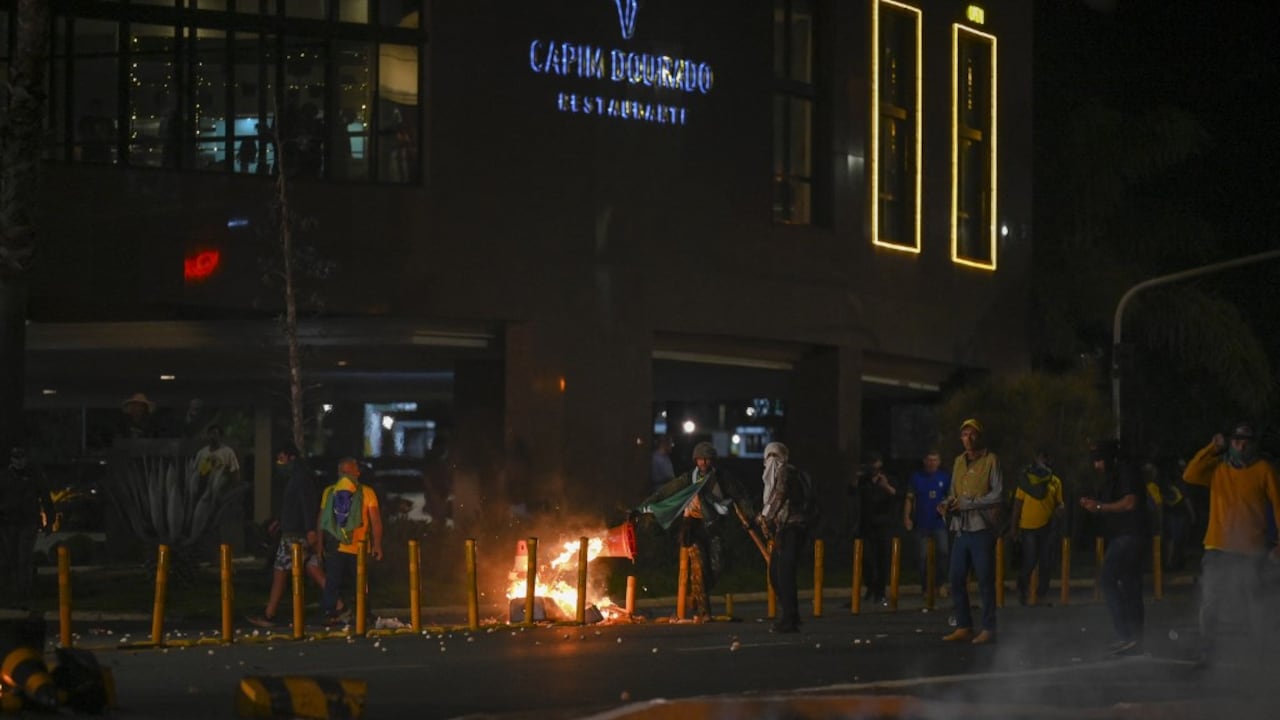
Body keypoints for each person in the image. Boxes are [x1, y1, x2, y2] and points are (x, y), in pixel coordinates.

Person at [1181, 422, 1280, 666]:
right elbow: (1190, 474)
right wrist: (1211, 449)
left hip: (1251, 548)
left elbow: (1279, 506)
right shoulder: (1218, 468)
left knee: (1256, 602)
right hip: (1218, 545)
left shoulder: (1264, 469)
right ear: (1230, 442)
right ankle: (1208, 649)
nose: (1241, 445)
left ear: (1253, 443)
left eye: (1245, 440)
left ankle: (1261, 653)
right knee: (1211, 598)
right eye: (1236, 440)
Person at [636, 441, 751, 622]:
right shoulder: (689, 479)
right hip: (692, 526)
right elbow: (666, 492)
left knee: (716, 567)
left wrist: (749, 516)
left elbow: (740, 495)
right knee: (699, 567)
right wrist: (642, 507)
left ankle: (696, 596)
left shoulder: (721, 478)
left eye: (707, 459)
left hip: (713, 525)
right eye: (700, 459)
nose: (703, 463)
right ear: (695, 460)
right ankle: (704, 612)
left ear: (712, 460)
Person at [247, 445, 330, 628]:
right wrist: (280, 521)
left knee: (280, 571)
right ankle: (340, 606)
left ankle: (270, 614)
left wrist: (310, 530)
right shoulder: (298, 477)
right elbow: (293, 505)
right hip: (296, 531)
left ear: (290, 457)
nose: (279, 463)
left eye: (281, 458)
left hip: (295, 535)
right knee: (312, 569)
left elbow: (306, 504)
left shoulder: (300, 478)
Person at [1079, 439, 1147, 656]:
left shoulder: (1126, 471)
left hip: (1129, 535)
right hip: (1126, 535)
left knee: (1108, 578)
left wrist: (1099, 507)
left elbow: (1129, 502)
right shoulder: (1117, 474)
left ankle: (1126, 634)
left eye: (1098, 460)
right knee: (1130, 585)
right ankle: (1134, 637)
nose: (1096, 466)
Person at [940, 418, 1003, 645]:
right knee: (956, 579)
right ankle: (964, 625)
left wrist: (969, 503)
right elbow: (952, 491)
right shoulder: (958, 461)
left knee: (985, 580)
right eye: (965, 435)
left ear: (979, 436)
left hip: (981, 528)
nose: (968, 439)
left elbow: (997, 494)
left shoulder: (991, 460)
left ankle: (988, 627)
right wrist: (946, 504)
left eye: (972, 434)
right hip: (961, 529)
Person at [318, 457, 383, 625]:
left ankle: (337, 613)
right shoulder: (365, 492)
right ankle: (358, 613)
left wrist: (377, 544)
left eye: (349, 472)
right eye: (344, 472)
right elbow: (375, 521)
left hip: (347, 547)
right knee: (351, 582)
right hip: (349, 547)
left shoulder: (330, 491)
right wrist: (377, 545)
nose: (347, 476)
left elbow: (322, 522)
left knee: (343, 582)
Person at [756, 441, 811, 633]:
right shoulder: (781, 474)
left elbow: (779, 496)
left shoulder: (786, 472)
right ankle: (791, 615)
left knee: (784, 574)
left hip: (793, 528)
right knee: (775, 575)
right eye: (769, 456)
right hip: (784, 529)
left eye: (775, 456)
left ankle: (790, 619)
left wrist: (765, 516)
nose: (772, 461)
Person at [1009, 449, 1066, 606]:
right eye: (1043, 457)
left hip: (1048, 526)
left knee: (1046, 562)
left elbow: (1059, 502)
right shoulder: (1027, 480)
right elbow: (1017, 504)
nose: (1045, 461)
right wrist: (1014, 527)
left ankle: (1042, 595)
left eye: (1048, 458)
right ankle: (1022, 588)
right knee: (1030, 560)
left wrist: (1060, 509)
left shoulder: (1055, 481)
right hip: (1028, 527)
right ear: (1037, 459)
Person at [0, 447, 55, 609]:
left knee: (23, 558)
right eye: (17, 458)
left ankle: (24, 593)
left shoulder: (34, 476)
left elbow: (46, 498)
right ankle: (12, 593)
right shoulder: (4, 477)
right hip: (8, 522)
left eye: (22, 457)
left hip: (27, 522)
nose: (19, 461)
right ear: (12, 459)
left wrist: (49, 521)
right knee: (10, 558)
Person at [851, 451, 900, 605]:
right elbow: (851, 493)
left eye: (875, 463)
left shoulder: (887, 479)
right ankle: (870, 587)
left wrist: (885, 486)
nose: (873, 466)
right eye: (870, 463)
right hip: (866, 526)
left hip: (883, 525)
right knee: (866, 559)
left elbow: (897, 495)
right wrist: (855, 477)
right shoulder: (863, 481)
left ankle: (880, 591)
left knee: (882, 559)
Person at [904, 449, 951, 599]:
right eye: (929, 460)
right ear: (925, 461)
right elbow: (909, 499)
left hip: (939, 524)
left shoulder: (945, 477)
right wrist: (907, 517)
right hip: (921, 524)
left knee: (943, 553)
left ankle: (941, 584)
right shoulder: (916, 478)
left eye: (935, 460)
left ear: (939, 462)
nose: (932, 463)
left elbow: (951, 497)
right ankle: (925, 588)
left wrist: (946, 505)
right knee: (922, 558)